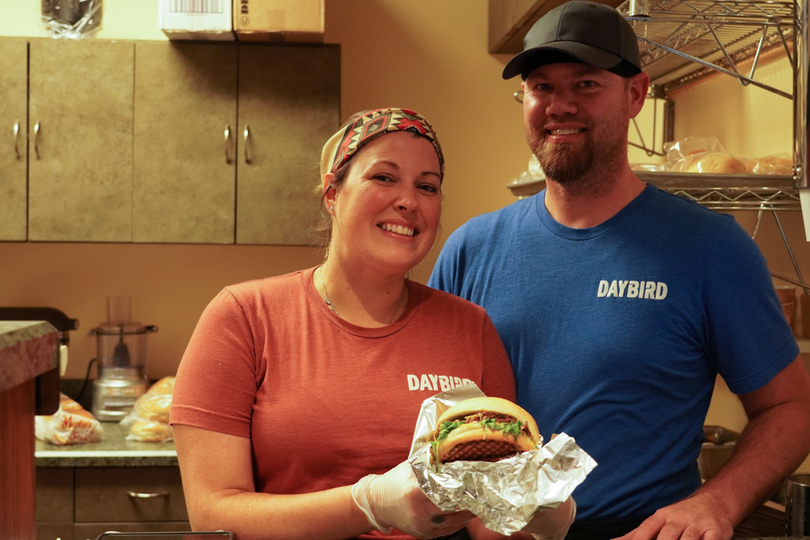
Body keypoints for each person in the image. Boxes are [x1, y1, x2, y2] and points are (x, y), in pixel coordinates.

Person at [428, 3, 810, 540]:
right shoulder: (471, 248)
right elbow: (431, 411)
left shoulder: (710, 249)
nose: (560, 106)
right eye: (541, 87)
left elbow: (791, 406)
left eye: (586, 84)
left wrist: (717, 505)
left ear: (635, 96)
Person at [170, 107, 575, 540]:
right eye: (384, 177)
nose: (408, 200)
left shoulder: (470, 327)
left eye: (427, 186)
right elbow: (213, 513)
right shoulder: (244, 316)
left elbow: (488, 526)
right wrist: (369, 504)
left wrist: (539, 518)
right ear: (332, 194)